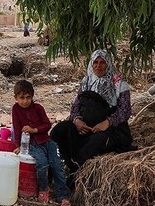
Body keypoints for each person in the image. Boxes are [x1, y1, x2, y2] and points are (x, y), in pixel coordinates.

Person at [50, 49, 134, 189]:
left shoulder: (118, 81)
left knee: (94, 144)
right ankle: (69, 164)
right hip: (85, 128)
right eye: (95, 62)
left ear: (108, 64)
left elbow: (125, 110)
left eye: (102, 62)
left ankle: (75, 176)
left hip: (109, 130)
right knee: (59, 130)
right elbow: (75, 106)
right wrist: (77, 121)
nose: (98, 66)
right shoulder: (87, 81)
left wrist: (107, 123)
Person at [12, 80, 71, 206]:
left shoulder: (38, 108)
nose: (25, 101)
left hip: (47, 142)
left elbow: (47, 125)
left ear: (32, 96)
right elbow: (16, 128)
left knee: (57, 166)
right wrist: (18, 145)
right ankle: (44, 189)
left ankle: (63, 196)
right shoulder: (15, 109)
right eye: (21, 98)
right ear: (16, 97)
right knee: (42, 164)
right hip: (31, 144)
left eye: (28, 97)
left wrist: (34, 130)